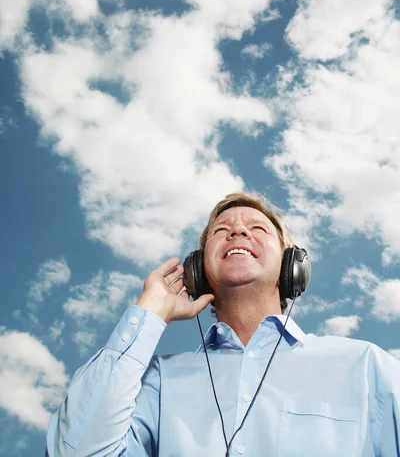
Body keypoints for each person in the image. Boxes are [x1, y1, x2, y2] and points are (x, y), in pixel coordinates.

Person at [46, 192, 400, 456]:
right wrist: (150, 309)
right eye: (221, 230)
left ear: (292, 267)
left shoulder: (367, 366)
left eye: (257, 228)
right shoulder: (159, 381)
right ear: (199, 272)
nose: (238, 233)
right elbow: (75, 450)